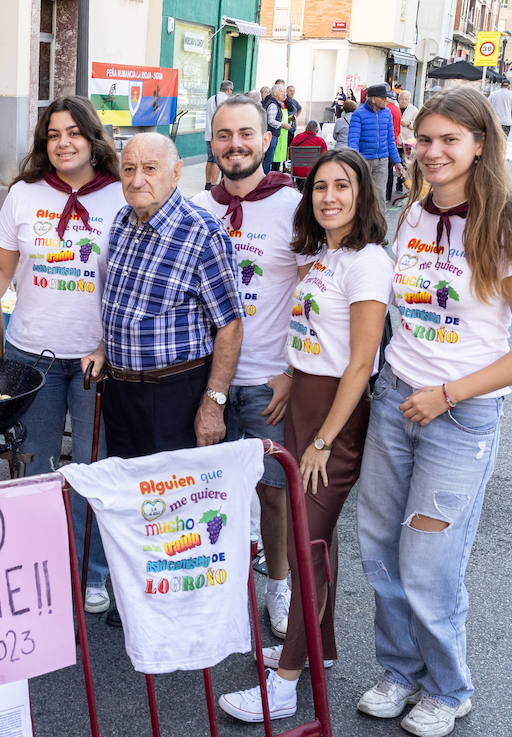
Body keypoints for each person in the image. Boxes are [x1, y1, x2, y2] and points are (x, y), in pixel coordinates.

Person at [358, 86, 512, 737]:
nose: (435, 150)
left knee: (428, 563)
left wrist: (449, 394)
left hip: (458, 419)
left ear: (479, 144)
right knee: (381, 550)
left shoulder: (509, 229)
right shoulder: (413, 213)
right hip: (395, 399)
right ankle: (400, 672)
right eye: (426, 138)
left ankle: (448, 687)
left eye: (450, 139)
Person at [217, 148, 391, 722]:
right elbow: (313, 329)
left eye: (342, 187)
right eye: (319, 188)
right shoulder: (323, 255)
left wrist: (323, 440)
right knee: (315, 536)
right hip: (304, 398)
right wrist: (292, 373)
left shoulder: (367, 261)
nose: (329, 198)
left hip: (333, 416)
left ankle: (287, 683)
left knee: (305, 538)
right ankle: (322, 649)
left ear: (363, 194)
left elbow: (361, 363)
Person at [0, 95, 123, 615]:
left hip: (97, 361)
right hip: (32, 355)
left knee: (95, 469)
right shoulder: (25, 195)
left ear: (93, 139)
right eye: (53, 134)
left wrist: (109, 342)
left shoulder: (121, 196)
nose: (63, 143)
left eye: (74, 132)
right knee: (36, 466)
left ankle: (91, 571)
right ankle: (43, 568)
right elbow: (0, 269)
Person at [193, 96, 304, 638]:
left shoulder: (295, 207)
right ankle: (215, 588)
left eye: (245, 134)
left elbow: (316, 292)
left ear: (266, 140)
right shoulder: (193, 206)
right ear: (211, 144)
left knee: (274, 492)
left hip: (266, 381)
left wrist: (293, 370)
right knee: (210, 490)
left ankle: (278, 588)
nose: (234, 144)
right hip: (202, 379)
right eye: (223, 135)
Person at [81, 132, 242, 465]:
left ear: (177, 172)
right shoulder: (122, 222)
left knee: (171, 505)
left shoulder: (204, 233)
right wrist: (103, 348)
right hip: (120, 392)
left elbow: (230, 327)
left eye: (150, 168)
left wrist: (214, 404)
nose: (137, 180)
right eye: (128, 169)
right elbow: (124, 305)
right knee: (129, 496)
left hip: (174, 395)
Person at [347, 84, 406, 191]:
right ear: (373, 99)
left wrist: (397, 162)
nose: (386, 100)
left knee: (379, 196)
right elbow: (353, 141)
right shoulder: (358, 114)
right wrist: (356, 161)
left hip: (382, 160)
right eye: (383, 98)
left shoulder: (387, 113)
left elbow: (390, 141)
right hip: (364, 160)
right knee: (362, 194)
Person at [203, 80, 234, 188]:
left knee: (210, 159)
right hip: (219, 135)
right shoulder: (226, 100)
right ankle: (214, 184)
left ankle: (207, 182)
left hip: (208, 133)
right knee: (217, 160)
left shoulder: (211, 99)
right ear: (229, 90)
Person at [263, 81, 290, 174]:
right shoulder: (273, 105)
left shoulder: (274, 103)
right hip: (271, 135)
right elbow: (270, 121)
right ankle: (264, 181)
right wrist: (282, 124)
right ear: (275, 93)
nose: (285, 94)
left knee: (267, 160)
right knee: (267, 160)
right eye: (282, 91)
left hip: (272, 135)